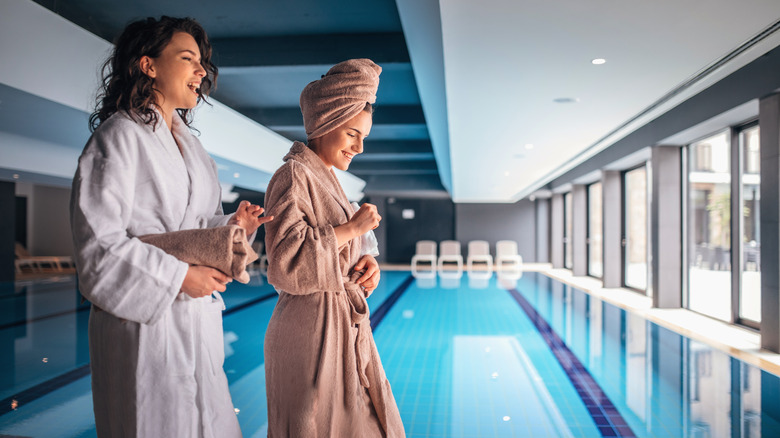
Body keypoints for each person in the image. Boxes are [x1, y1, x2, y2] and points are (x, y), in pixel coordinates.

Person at [70, 16, 271, 437]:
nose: (202, 71)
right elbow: (98, 247)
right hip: (144, 326)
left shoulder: (195, 150)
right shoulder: (118, 137)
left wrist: (233, 225)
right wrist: (180, 276)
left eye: (202, 62)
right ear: (148, 65)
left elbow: (196, 227)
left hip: (196, 321)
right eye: (188, 59)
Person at [263, 59, 405, 437]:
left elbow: (341, 249)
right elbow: (285, 265)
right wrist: (350, 228)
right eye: (351, 134)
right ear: (325, 122)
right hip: (310, 330)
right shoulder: (293, 175)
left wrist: (367, 265)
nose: (359, 147)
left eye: (364, 137)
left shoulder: (326, 177)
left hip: (341, 319)